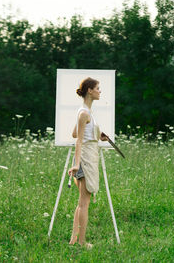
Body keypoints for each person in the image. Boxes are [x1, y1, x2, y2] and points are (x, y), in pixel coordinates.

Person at [68, 77, 108, 248]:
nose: (100, 91)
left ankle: (73, 241)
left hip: (89, 155)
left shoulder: (85, 112)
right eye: (98, 88)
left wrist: (98, 136)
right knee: (84, 203)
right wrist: (77, 163)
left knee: (82, 202)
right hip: (85, 158)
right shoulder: (84, 112)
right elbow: (78, 141)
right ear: (90, 91)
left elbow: (75, 133)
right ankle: (82, 242)